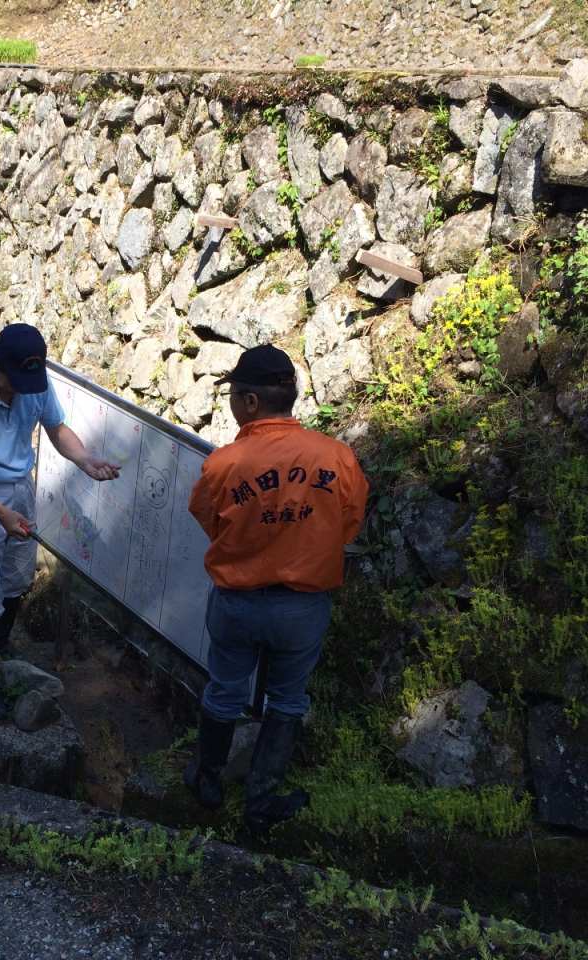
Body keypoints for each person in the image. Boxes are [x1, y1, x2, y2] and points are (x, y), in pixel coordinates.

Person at [185, 344, 368, 832]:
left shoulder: (223, 465)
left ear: (249, 403)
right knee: (288, 700)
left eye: (233, 395)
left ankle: (207, 779)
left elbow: (210, 521)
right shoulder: (339, 458)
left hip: (238, 603)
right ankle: (261, 800)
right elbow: (347, 527)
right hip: (301, 609)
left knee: (224, 690)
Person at [0, 323, 121, 721]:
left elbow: (56, 429)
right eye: (12, 380)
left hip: (20, 486)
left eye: (28, 379)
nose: (20, 389)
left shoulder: (33, 384)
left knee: (18, 574)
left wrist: (84, 459)